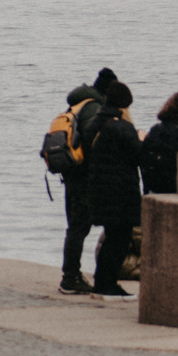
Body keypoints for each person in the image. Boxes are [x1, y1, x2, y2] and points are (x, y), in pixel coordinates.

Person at [80, 76, 143, 296]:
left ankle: (102, 282)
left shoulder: (95, 123)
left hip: (100, 190)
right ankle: (107, 284)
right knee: (120, 239)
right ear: (124, 104)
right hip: (120, 194)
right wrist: (141, 138)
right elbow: (139, 156)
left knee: (111, 238)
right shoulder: (122, 128)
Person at [53, 73, 109, 295]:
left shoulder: (77, 105)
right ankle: (71, 277)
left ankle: (70, 274)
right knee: (79, 227)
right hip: (83, 176)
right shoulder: (93, 108)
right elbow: (91, 142)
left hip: (70, 174)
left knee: (74, 226)